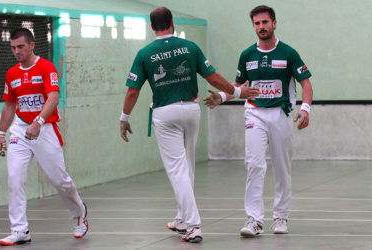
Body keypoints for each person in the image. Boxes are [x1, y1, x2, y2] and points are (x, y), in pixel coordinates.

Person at [120, 7, 259, 243]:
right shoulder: (190, 47)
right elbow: (213, 77)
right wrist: (237, 91)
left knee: (177, 169)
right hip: (192, 111)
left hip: (165, 114)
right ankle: (182, 217)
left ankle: (193, 225)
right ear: (172, 23)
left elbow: (133, 91)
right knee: (187, 166)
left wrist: (124, 118)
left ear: (152, 27)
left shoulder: (145, 53)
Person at [204, 5, 313, 237]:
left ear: (274, 23)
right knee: (254, 164)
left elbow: (306, 83)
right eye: (257, 23)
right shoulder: (247, 55)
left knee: (282, 167)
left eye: (265, 22)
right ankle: (254, 220)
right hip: (254, 113)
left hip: (280, 114)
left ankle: (281, 216)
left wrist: (305, 110)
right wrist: (222, 96)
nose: (261, 27)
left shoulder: (289, 53)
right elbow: (239, 88)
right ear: (253, 26)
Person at [0, 28, 88, 246]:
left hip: (44, 129)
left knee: (60, 180)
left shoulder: (46, 67)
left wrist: (38, 122)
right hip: (19, 130)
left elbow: (53, 98)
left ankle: (79, 212)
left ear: (32, 45)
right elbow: (9, 105)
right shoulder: (11, 74)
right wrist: (1, 133)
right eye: (13, 48)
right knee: (15, 178)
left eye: (20, 47)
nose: (17, 51)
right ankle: (19, 230)